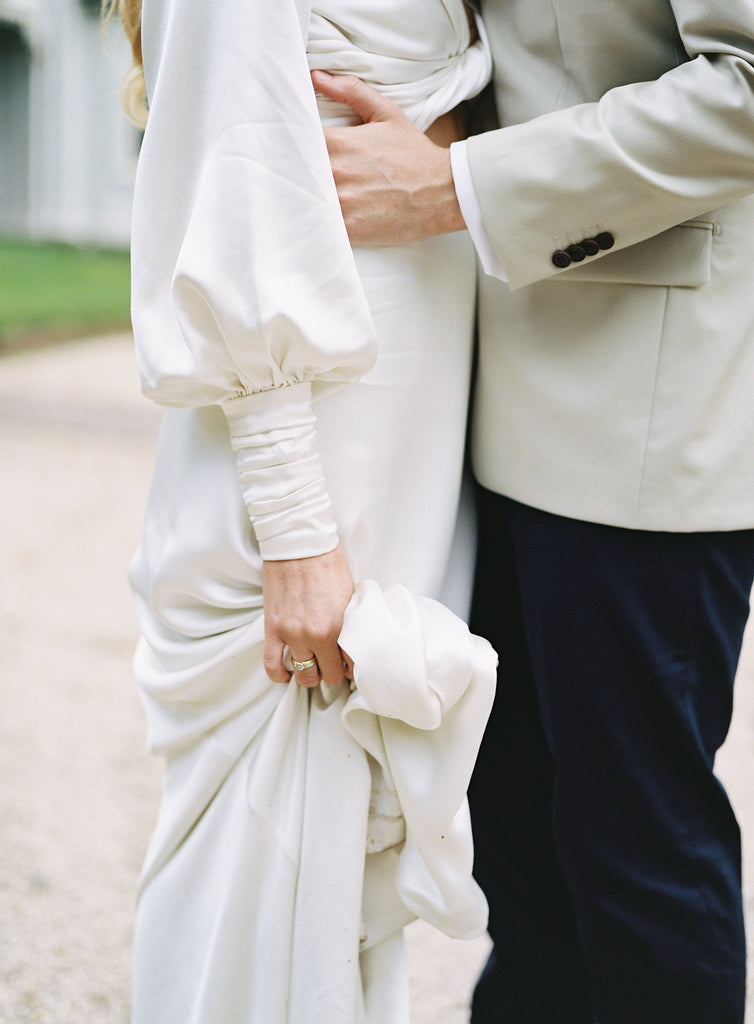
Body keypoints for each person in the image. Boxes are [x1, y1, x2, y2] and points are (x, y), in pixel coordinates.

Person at [311, 3, 754, 1022]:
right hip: (487, 386)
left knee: (633, 853)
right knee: (522, 851)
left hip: (644, 412)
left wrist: (457, 185)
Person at [106, 1, 498, 1021]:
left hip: (396, 399)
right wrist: (295, 529)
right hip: (317, 425)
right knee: (271, 821)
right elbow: (232, 171)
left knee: (336, 839)